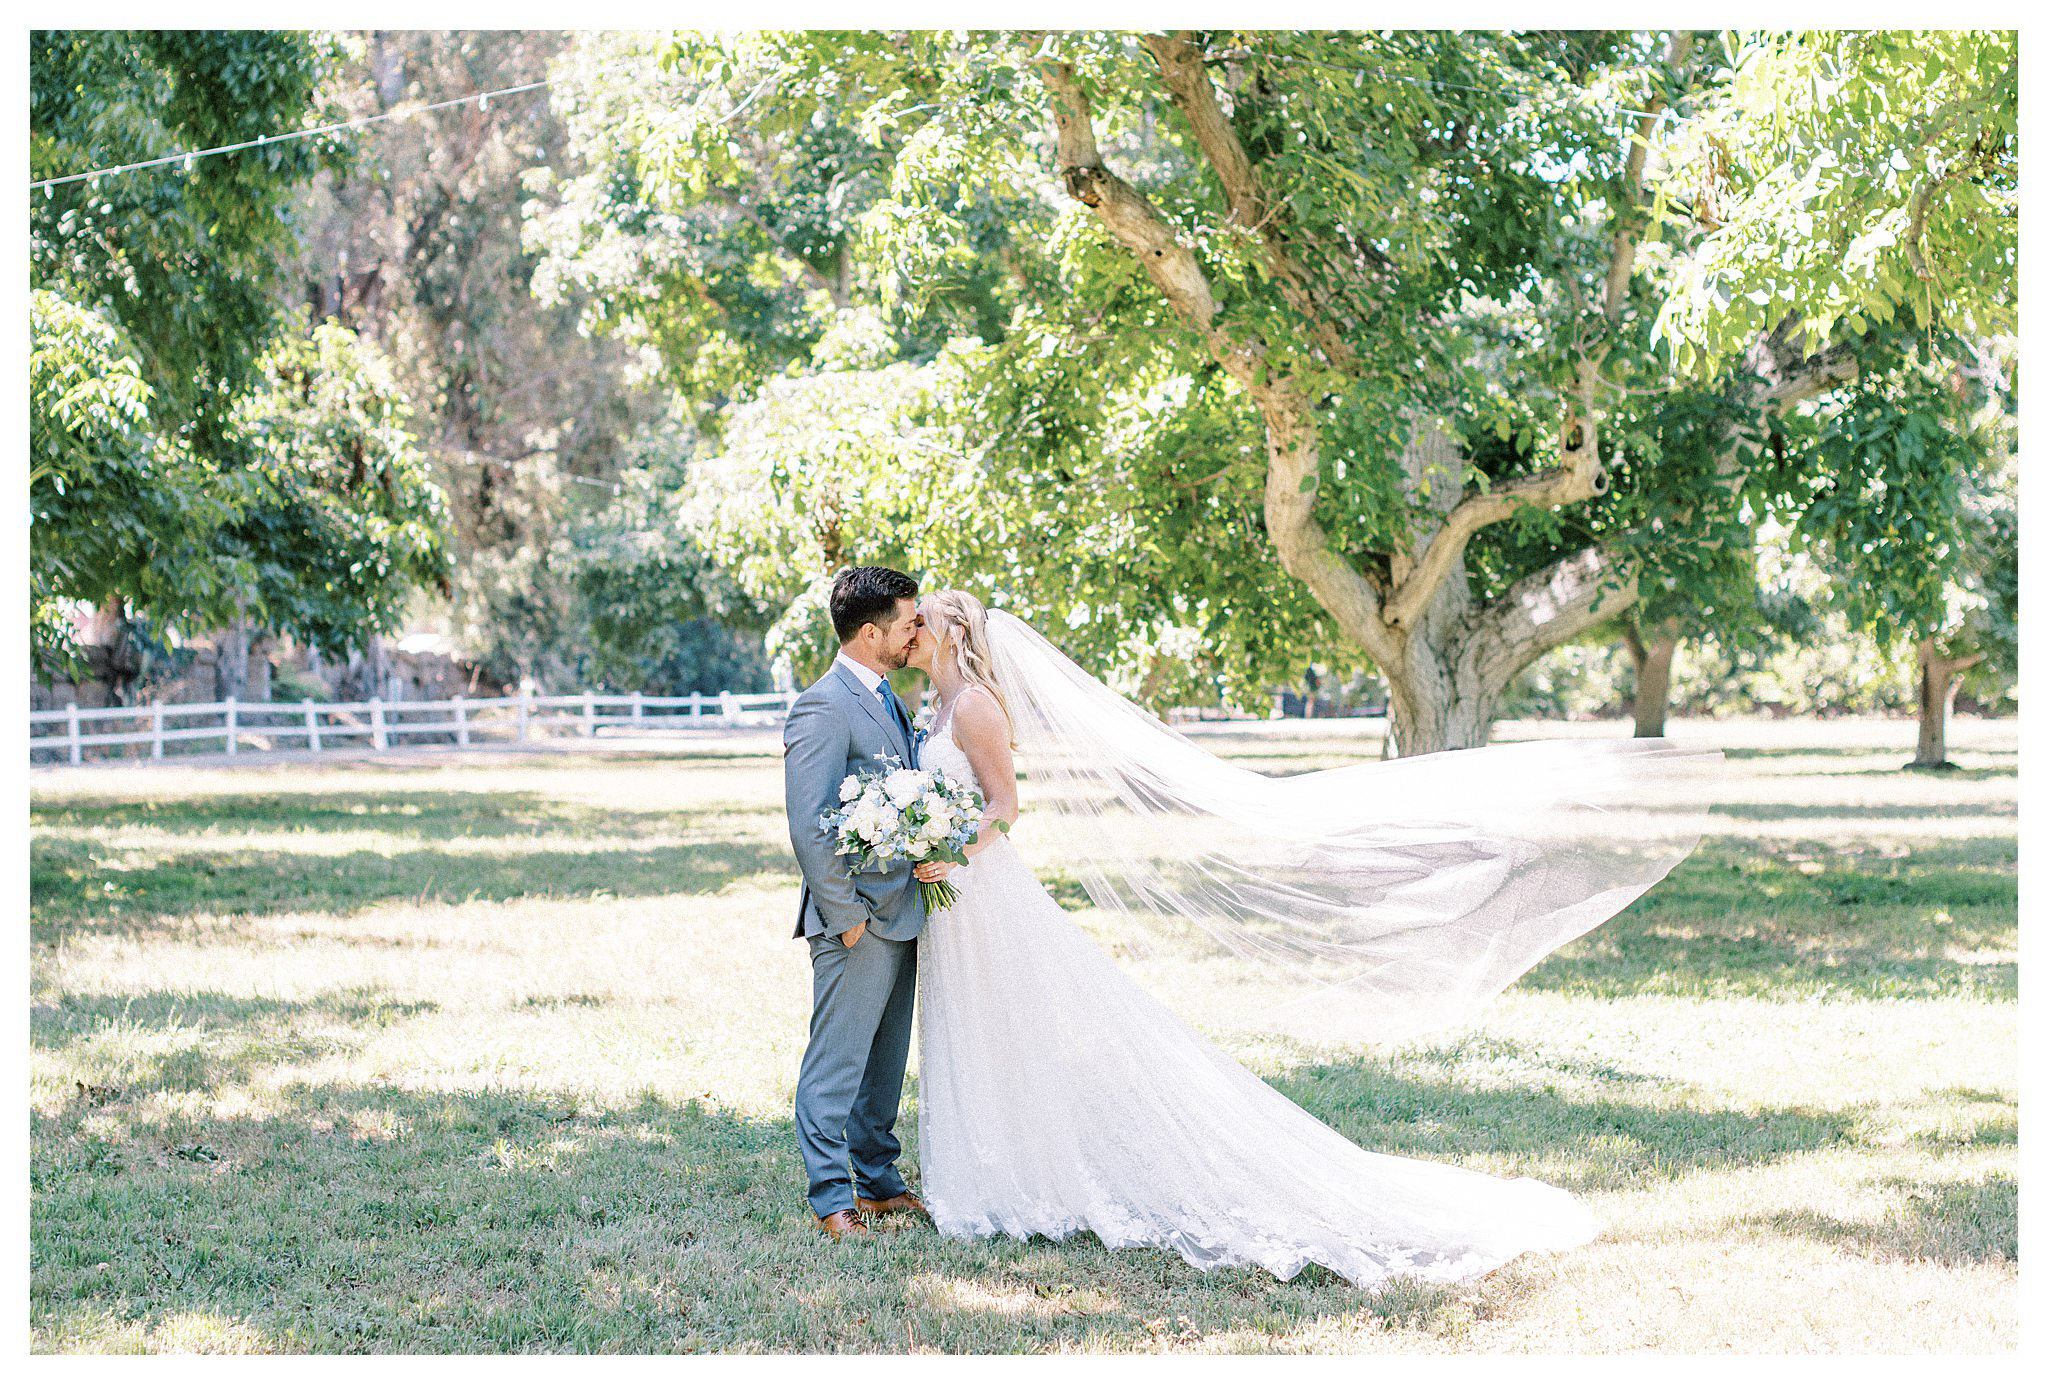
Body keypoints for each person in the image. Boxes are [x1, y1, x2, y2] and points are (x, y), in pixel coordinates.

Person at [892, 587, 1719, 1289]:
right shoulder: (935, 704)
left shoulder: (973, 706)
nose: (905, 635)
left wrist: (948, 852)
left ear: (949, 632)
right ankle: (989, 1173)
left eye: (916, 623)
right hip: (959, 897)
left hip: (979, 889)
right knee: (982, 1030)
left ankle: (1009, 1181)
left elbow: (1003, 804)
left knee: (1013, 1023)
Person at [782, 565, 932, 1240]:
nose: (915, 633)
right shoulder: (822, 705)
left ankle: (877, 1182)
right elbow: (810, 823)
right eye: (907, 623)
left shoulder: (890, 697)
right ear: (872, 633)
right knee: (836, 1065)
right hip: (857, 920)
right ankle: (831, 1198)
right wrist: (845, 921)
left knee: (883, 1065)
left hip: (903, 913)